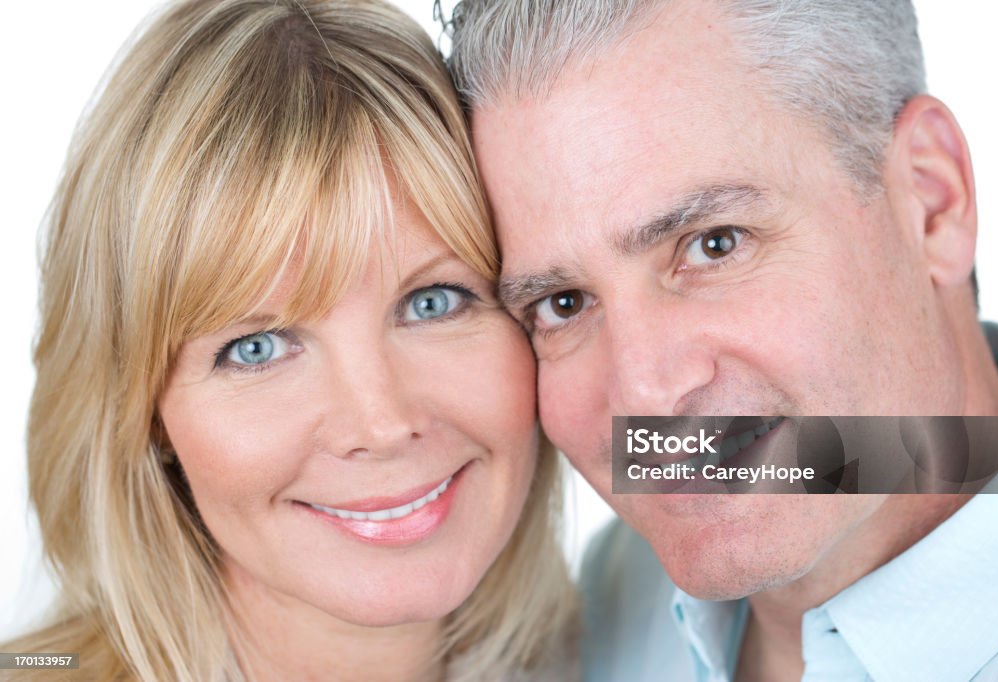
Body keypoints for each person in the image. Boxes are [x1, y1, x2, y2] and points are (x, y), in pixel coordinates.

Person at [446, 0, 998, 680]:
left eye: (714, 246)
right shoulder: (604, 606)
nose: (645, 393)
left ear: (931, 201)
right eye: (561, 304)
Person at [2, 1, 576, 680]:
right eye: (258, 348)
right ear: (147, 416)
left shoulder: (638, 647)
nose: (382, 424)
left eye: (432, 302)